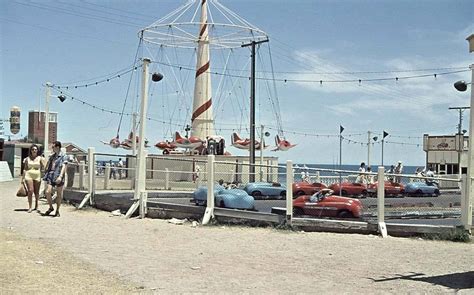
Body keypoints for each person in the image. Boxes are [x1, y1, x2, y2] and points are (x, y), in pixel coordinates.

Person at [43, 141, 68, 217]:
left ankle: (57, 210)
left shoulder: (63, 156)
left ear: (57, 147)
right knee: (47, 192)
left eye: (53, 147)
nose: (52, 148)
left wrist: (60, 176)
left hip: (58, 175)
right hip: (51, 175)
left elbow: (64, 166)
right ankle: (51, 207)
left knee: (59, 194)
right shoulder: (52, 156)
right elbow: (48, 166)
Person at [21, 144, 44, 213]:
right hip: (29, 175)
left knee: (36, 192)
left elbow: (44, 167)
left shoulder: (40, 158)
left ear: (37, 151)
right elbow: (25, 169)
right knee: (30, 190)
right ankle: (30, 207)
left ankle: (36, 205)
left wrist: (43, 172)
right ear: (30, 150)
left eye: (35, 149)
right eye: (33, 149)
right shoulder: (27, 159)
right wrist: (22, 179)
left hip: (37, 175)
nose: (34, 151)